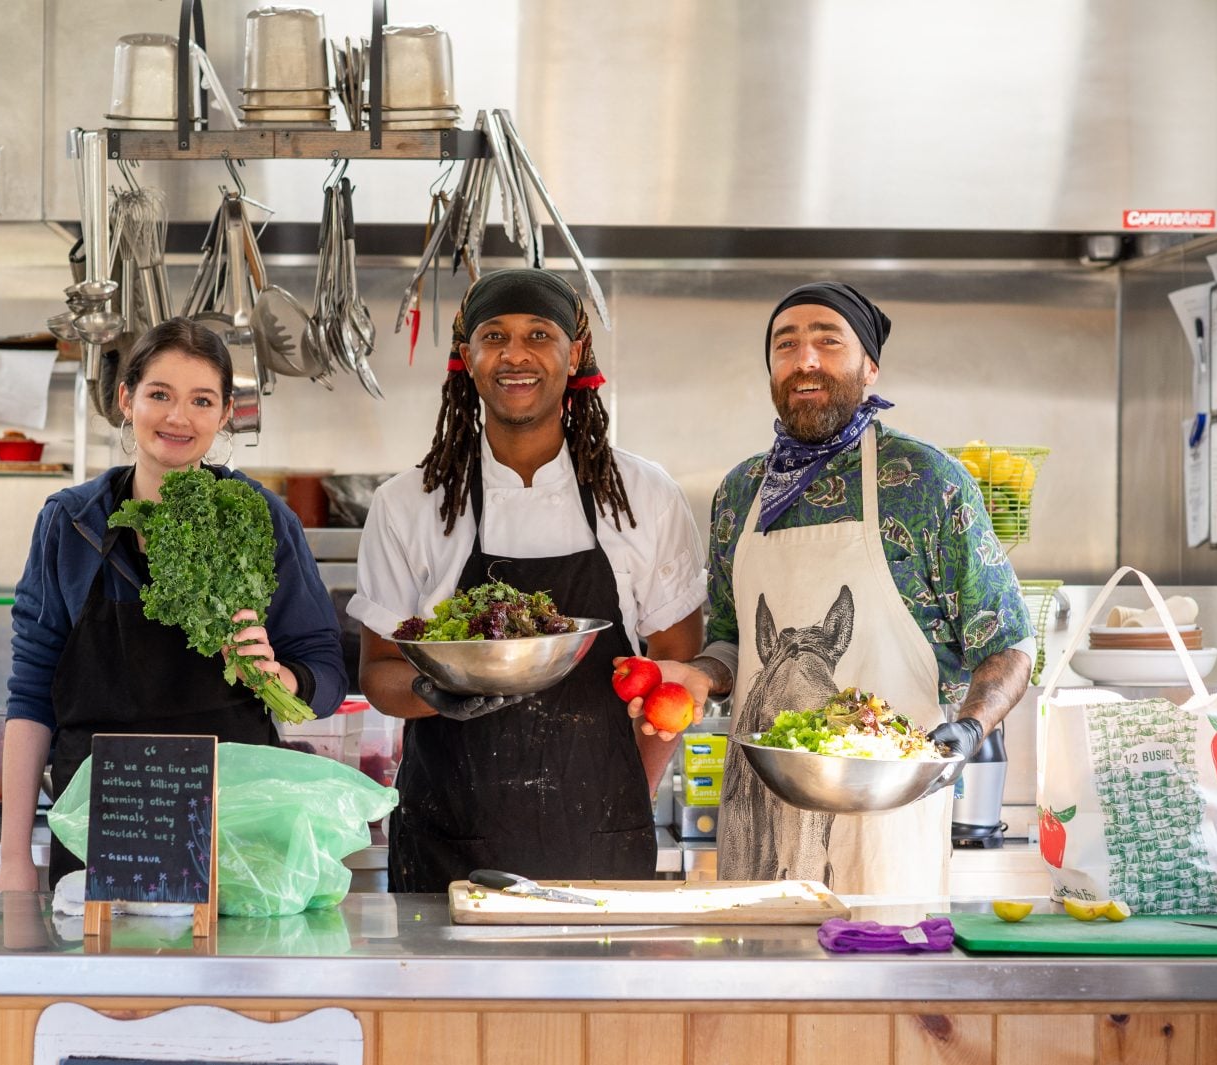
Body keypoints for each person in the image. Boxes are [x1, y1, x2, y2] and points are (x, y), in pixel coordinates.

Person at [633, 282, 1033, 895]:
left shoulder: (925, 482)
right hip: (758, 821)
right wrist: (701, 675)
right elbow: (732, 643)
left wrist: (970, 729)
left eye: (828, 341)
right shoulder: (741, 492)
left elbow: (1008, 646)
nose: (806, 360)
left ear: (869, 366)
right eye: (786, 344)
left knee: (876, 978)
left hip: (884, 818)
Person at [350, 269, 708, 892]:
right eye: (495, 336)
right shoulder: (409, 503)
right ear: (467, 356)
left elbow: (674, 672)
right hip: (448, 846)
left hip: (600, 843)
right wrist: (433, 693)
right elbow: (379, 670)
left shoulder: (643, 495)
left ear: (574, 354)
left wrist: (629, 794)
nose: (515, 355)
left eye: (539, 334)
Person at [0, 318, 348, 891]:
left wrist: (281, 675)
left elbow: (328, 675)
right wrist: (14, 857)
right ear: (125, 399)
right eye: (159, 394)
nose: (178, 417)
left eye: (201, 400)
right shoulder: (71, 522)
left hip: (234, 839)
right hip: (98, 837)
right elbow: (31, 695)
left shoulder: (262, 519)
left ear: (225, 412)